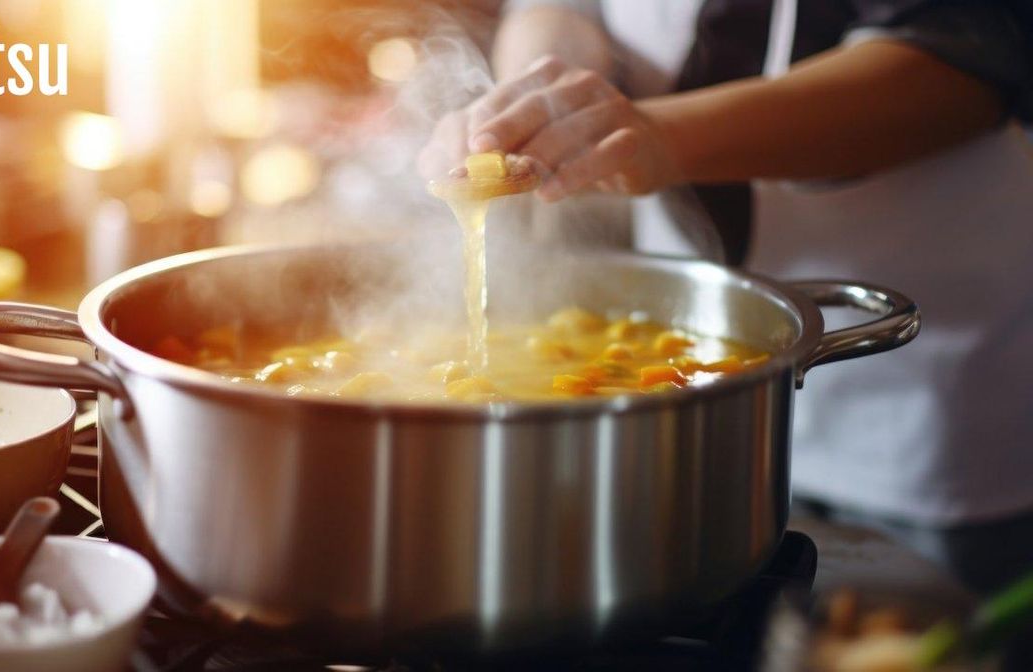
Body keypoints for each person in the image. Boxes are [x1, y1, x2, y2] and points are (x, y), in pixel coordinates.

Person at [420, 0, 1033, 595]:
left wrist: (663, 135)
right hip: (687, 417)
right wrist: (540, 95)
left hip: (925, 395)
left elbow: (968, 53)